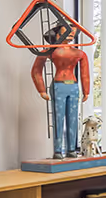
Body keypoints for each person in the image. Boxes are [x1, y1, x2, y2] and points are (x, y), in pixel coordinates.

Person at [31, 24, 90, 159]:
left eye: (73, 33)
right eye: (67, 32)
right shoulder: (50, 50)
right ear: (58, 33)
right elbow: (36, 71)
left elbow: (85, 74)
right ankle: (58, 150)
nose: (70, 35)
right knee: (58, 119)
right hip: (58, 86)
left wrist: (86, 91)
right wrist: (41, 89)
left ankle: (71, 149)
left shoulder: (79, 53)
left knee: (73, 119)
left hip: (73, 87)